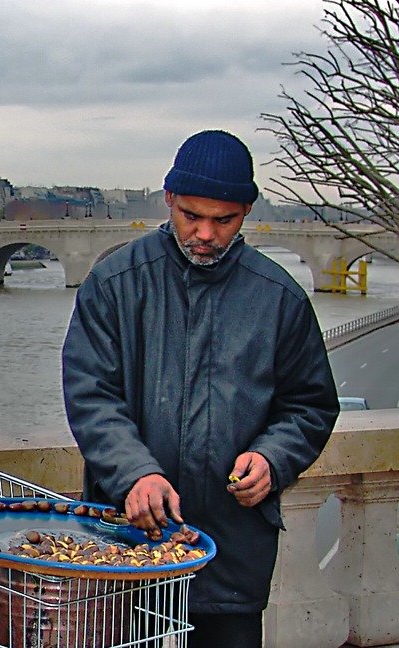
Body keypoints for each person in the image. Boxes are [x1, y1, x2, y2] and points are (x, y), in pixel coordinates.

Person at [61, 129, 339, 648]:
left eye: (224, 220)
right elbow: (91, 396)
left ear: (247, 211)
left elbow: (310, 405)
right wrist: (135, 473)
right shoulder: (113, 283)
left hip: (232, 553)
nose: (205, 234)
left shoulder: (280, 298)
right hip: (127, 547)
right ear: (168, 198)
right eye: (191, 216)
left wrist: (273, 458)